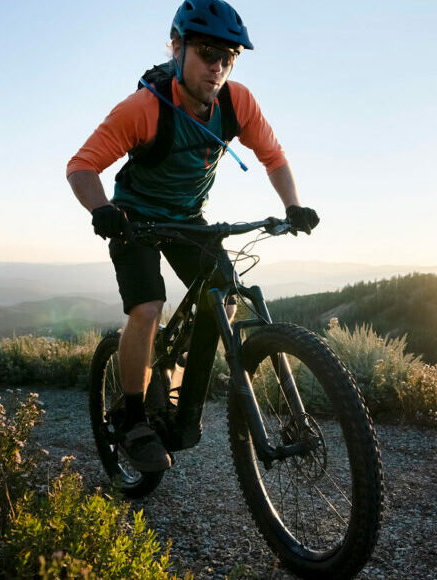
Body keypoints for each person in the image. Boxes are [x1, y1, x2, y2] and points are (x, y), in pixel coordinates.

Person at [66, 0, 318, 473]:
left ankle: (182, 400)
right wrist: (101, 209)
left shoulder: (235, 102)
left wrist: (293, 206)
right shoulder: (143, 109)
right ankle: (134, 417)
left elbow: (274, 157)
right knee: (147, 308)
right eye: (207, 53)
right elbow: (81, 167)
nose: (218, 66)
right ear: (177, 48)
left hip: (186, 218)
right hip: (133, 219)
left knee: (221, 297)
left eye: (228, 57)